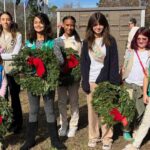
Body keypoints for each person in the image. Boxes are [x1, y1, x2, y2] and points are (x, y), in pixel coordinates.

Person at [20, 13, 66, 150]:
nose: (38, 25)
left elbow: (61, 61)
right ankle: (30, 140)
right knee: (33, 110)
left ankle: (55, 141)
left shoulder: (52, 42)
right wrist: (28, 60)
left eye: (41, 22)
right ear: (33, 25)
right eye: (35, 22)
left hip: (48, 81)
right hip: (33, 81)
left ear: (45, 24)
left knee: (50, 110)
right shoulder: (29, 43)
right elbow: (23, 61)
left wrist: (52, 58)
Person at [80, 12, 120, 150]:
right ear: (91, 26)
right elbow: (84, 63)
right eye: (95, 24)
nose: (98, 27)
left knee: (107, 111)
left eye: (100, 24)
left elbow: (114, 63)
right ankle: (93, 136)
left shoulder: (110, 41)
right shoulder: (86, 43)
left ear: (105, 25)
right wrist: (84, 80)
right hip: (91, 81)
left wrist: (113, 83)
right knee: (92, 112)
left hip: (106, 82)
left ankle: (107, 137)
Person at [122, 28, 150, 150]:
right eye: (138, 38)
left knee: (140, 110)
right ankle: (126, 129)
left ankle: (136, 128)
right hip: (129, 83)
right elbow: (125, 65)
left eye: (144, 38)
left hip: (141, 85)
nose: (141, 41)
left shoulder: (149, 53)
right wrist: (122, 75)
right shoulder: (130, 51)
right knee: (128, 109)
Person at [56, 16, 81, 137]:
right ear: (63, 25)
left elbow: (80, 59)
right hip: (61, 76)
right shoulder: (58, 40)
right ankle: (64, 124)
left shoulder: (78, 41)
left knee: (74, 101)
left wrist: (78, 74)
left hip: (73, 77)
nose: (69, 27)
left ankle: (73, 125)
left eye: (72, 25)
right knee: (61, 102)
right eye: (67, 25)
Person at [0, 11, 23, 134]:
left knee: (14, 97)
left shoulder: (17, 35)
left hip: (13, 70)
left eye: (7, 19)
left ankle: (17, 123)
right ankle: (5, 122)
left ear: (11, 20)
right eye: (3, 19)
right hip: (0, 72)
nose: (5, 21)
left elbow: (15, 55)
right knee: (3, 98)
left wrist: (0, 56)